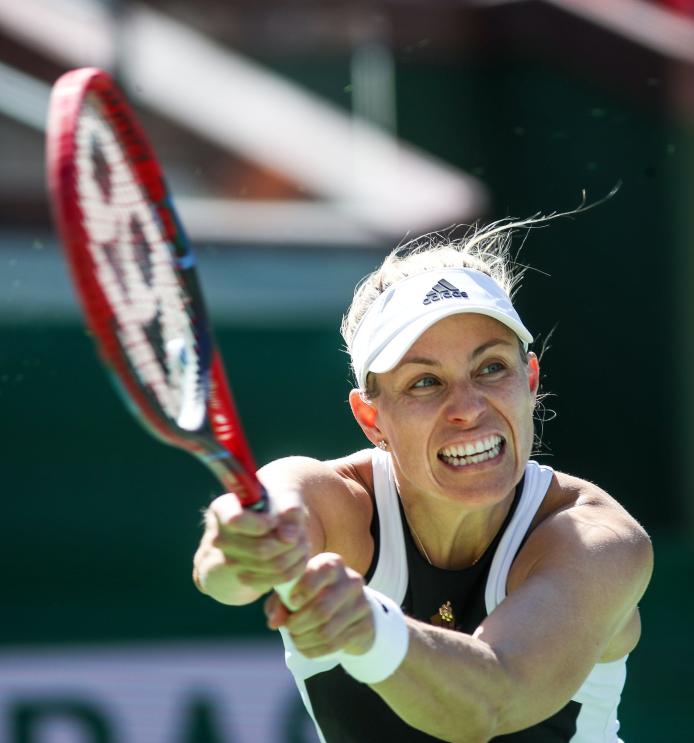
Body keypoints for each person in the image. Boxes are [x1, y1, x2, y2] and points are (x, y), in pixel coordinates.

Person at [192, 218, 654, 742]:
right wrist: (241, 546)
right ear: (372, 420)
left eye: (491, 369)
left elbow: (490, 706)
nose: (468, 408)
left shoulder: (599, 539)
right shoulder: (333, 499)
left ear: (529, 380)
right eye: (425, 382)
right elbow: (229, 572)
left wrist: (370, 629)